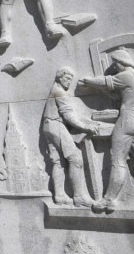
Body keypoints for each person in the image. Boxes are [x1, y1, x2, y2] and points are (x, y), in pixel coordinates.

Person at [79, 49, 134, 213]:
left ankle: (109, 200)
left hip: (127, 121)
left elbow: (105, 81)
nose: (115, 66)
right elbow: (117, 96)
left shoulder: (127, 75)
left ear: (122, 62)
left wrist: (88, 81)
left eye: (116, 63)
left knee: (118, 160)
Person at [42, 67, 101, 207]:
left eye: (71, 79)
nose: (69, 82)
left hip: (48, 126)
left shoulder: (55, 89)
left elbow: (70, 116)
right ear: (59, 77)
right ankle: (79, 196)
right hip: (55, 125)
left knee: (58, 162)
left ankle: (60, 196)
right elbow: (68, 115)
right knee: (75, 159)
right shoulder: (59, 92)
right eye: (67, 78)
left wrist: (83, 123)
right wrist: (86, 127)